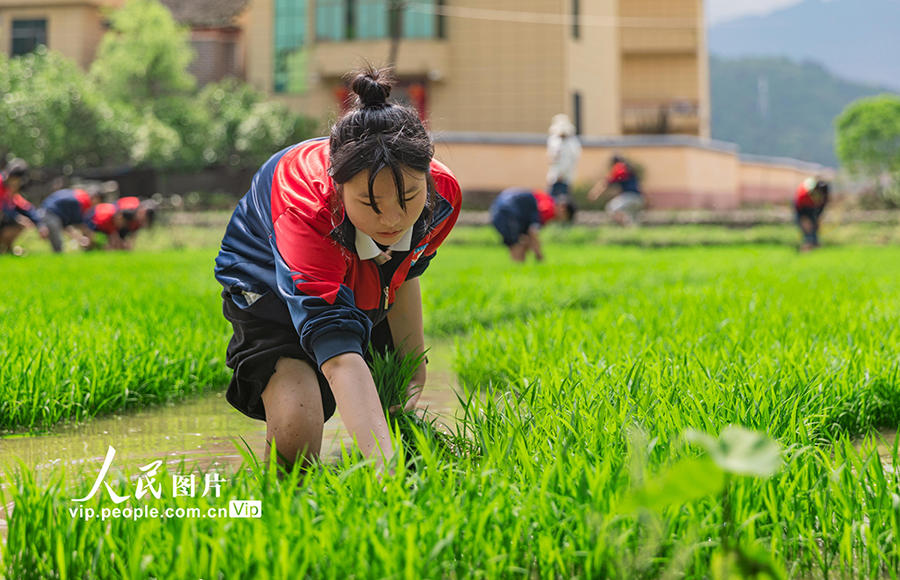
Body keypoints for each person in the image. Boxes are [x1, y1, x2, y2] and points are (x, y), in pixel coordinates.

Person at [214, 67, 462, 472]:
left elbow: (403, 273)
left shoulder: (444, 197)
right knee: (298, 427)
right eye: (371, 203)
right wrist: (387, 471)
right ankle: (278, 506)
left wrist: (414, 365)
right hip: (267, 280)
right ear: (337, 186)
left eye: (410, 197)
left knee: (390, 388)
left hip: (358, 266)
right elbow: (339, 356)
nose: (393, 220)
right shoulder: (306, 209)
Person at [489, 187, 576, 262]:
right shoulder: (547, 207)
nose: (561, 221)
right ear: (563, 208)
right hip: (507, 212)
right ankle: (517, 271)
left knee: (523, 241)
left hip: (503, 208)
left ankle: (518, 269)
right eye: (565, 218)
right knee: (517, 244)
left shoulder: (546, 199)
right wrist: (539, 256)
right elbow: (533, 231)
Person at [38, 186, 105, 252]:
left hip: (51, 211)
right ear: (96, 197)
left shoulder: (80, 195)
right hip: (50, 212)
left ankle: (59, 256)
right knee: (57, 240)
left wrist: (79, 238)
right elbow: (79, 224)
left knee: (57, 240)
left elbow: (67, 225)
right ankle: (58, 258)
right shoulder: (82, 201)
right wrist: (89, 237)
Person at [0, 159, 42, 254]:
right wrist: (17, 218)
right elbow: (3, 208)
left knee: (22, 222)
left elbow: (24, 206)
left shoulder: (8, 188)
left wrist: (39, 223)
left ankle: (7, 249)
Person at [589, 155, 645, 225]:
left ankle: (624, 225)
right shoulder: (630, 170)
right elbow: (640, 186)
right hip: (639, 199)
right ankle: (631, 231)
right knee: (633, 221)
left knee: (611, 207)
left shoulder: (619, 167)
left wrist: (595, 194)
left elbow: (606, 182)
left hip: (629, 197)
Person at [85, 197, 155, 250]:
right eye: (143, 213)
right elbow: (117, 217)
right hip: (99, 218)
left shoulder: (136, 222)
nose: (142, 216)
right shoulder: (131, 205)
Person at [546, 114, 582, 199]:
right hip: (554, 175)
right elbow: (550, 156)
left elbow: (573, 160)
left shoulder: (573, 143)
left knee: (563, 200)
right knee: (551, 199)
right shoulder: (553, 140)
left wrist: (562, 174)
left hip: (565, 177)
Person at [795, 177, 829, 252]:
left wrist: (818, 219)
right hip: (802, 207)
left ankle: (815, 246)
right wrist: (803, 219)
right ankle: (807, 245)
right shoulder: (803, 194)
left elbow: (821, 207)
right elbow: (800, 210)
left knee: (814, 226)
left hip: (812, 207)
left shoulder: (824, 195)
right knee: (807, 228)